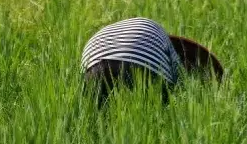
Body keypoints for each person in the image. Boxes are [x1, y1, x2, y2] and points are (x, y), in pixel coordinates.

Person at [81, 16, 223, 107]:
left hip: (94, 62)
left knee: (100, 116)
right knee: (154, 114)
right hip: (140, 60)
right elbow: (179, 82)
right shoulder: (167, 48)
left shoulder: (154, 38)